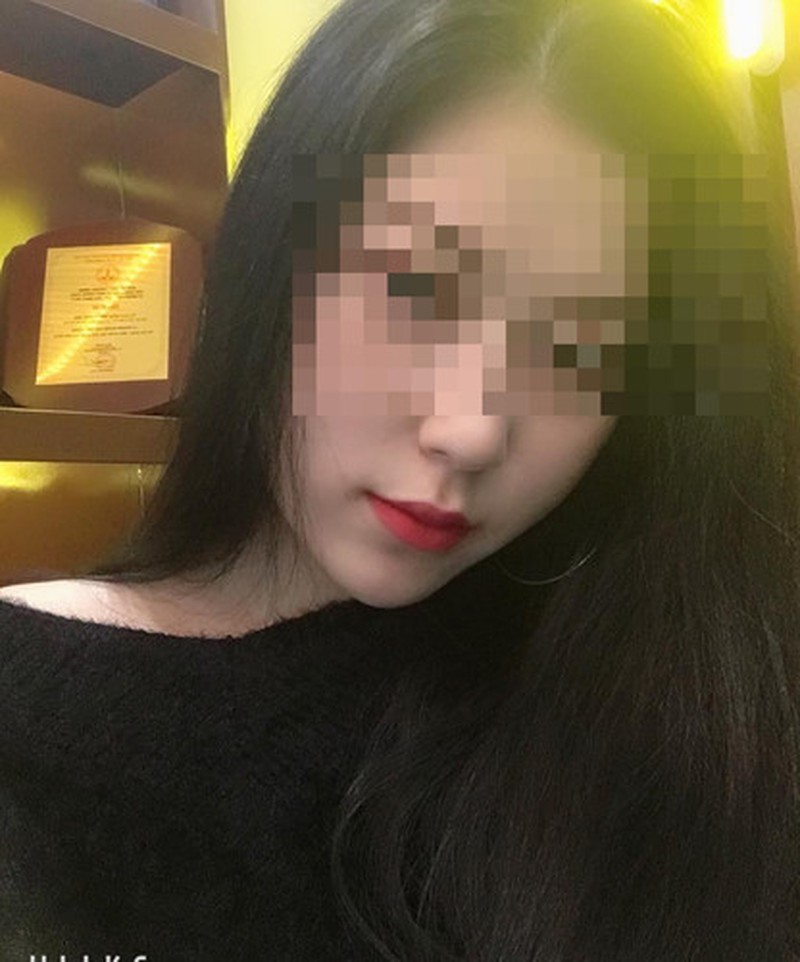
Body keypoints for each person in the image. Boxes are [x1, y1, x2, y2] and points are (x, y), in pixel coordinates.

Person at [1, 0, 799, 958]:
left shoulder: (676, 713)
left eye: (580, 345)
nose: (470, 430)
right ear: (272, 263)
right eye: (416, 289)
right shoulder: (27, 719)